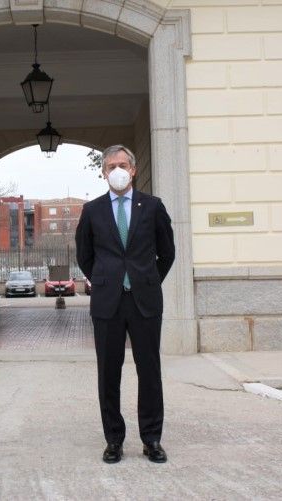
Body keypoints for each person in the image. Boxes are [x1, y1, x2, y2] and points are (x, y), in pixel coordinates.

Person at [75, 145, 175, 464]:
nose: (116, 170)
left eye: (122, 164)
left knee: (149, 371)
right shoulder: (92, 211)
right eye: (110, 166)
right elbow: (84, 256)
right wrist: (107, 280)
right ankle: (114, 440)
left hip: (145, 301)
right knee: (108, 372)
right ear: (103, 172)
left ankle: (152, 439)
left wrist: (147, 279)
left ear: (132, 169)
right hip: (108, 303)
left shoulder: (154, 206)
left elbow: (167, 252)